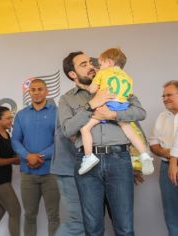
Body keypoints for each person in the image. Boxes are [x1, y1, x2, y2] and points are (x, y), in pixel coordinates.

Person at [59, 51, 146, 236]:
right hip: (87, 162)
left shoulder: (114, 82)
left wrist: (114, 115)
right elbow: (67, 129)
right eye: (83, 64)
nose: (91, 66)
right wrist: (92, 105)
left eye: (91, 62)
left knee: (125, 227)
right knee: (93, 228)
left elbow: (140, 112)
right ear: (72, 74)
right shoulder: (67, 99)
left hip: (119, 159)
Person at [78, 48, 153, 175]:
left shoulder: (103, 73)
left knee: (85, 128)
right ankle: (144, 154)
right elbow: (128, 94)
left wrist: (90, 85)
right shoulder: (128, 77)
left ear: (109, 62)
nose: (99, 67)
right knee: (128, 129)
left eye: (101, 64)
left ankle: (88, 156)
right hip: (123, 105)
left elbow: (92, 90)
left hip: (107, 105)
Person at [12, 79, 60, 236]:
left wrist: (39, 156)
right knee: (29, 216)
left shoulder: (57, 113)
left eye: (40, 89)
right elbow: (15, 140)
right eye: (33, 90)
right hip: (28, 174)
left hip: (51, 173)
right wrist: (27, 156)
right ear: (29, 92)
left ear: (46, 92)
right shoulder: (21, 115)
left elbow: (61, 142)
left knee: (53, 217)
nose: (36, 92)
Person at [149, 80, 178, 236]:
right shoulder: (162, 117)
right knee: (172, 215)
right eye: (163, 96)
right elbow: (153, 145)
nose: (165, 98)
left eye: (169, 95)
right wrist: (168, 154)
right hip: (168, 168)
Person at [0, 106, 21, 236]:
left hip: (4, 179)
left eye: (11, 117)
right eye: (8, 118)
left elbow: (12, 154)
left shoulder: (7, 135)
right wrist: (13, 160)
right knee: (15, 211)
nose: (11, 120)